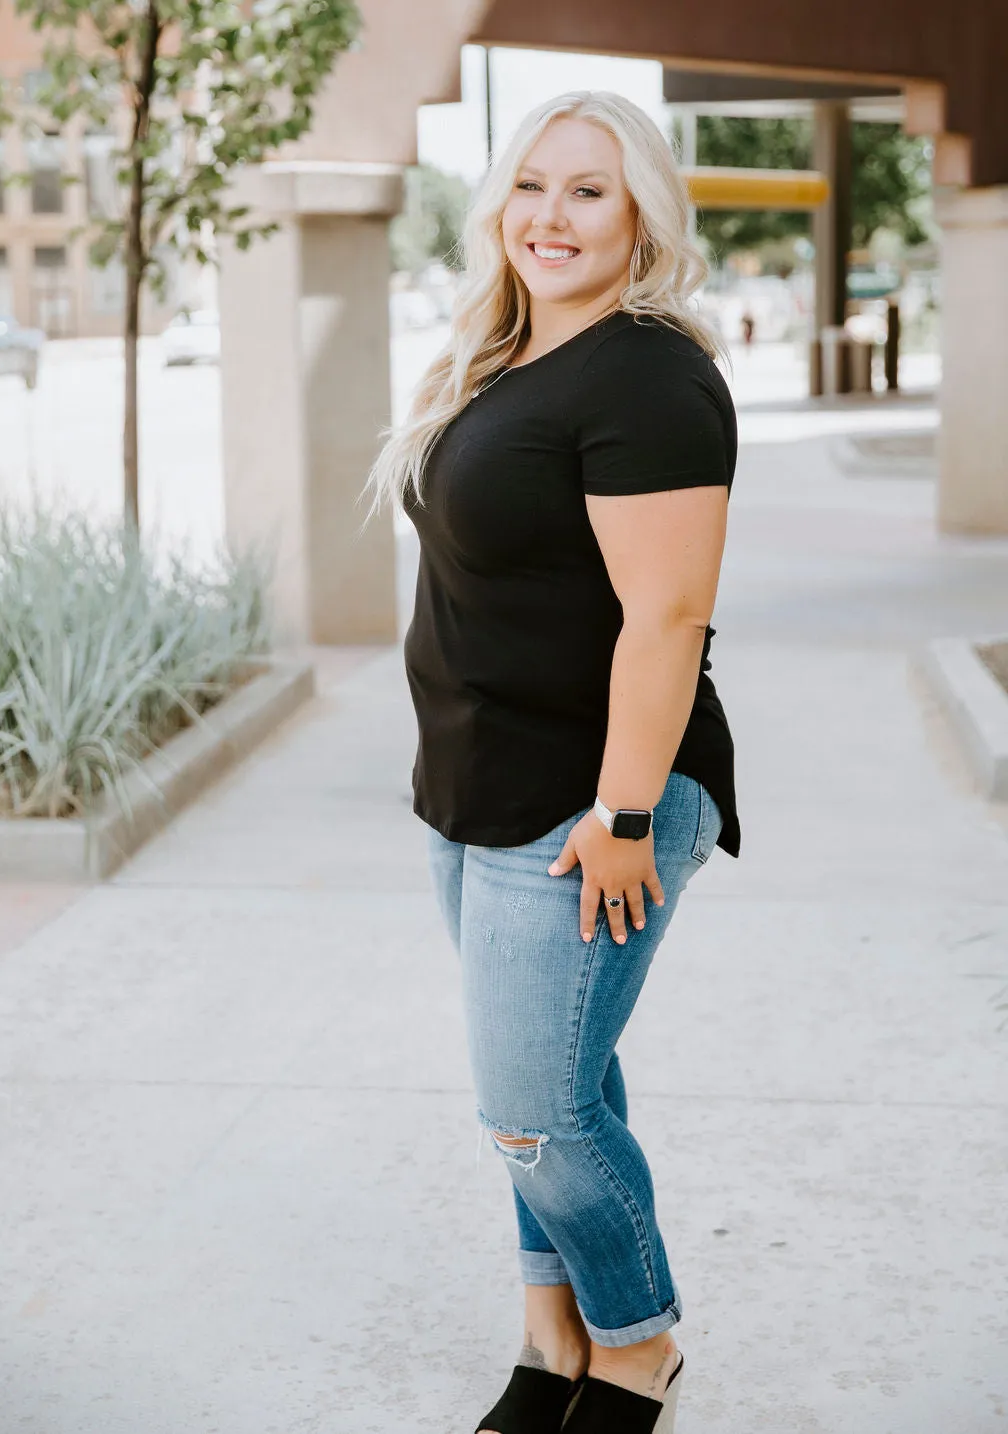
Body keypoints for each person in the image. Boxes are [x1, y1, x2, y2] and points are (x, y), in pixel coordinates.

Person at [362, 89, 740, 1434]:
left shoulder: (647, 373)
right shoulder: (505, 355)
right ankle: (549, 1335)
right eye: (532, 185)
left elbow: (668, 617)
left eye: (588, 189)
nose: (550, 215)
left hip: (593, 801)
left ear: (642, 211)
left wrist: (625, 813)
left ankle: (638, 1346)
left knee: (532, 1107)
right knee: (556, 1079)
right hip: (478, 789)